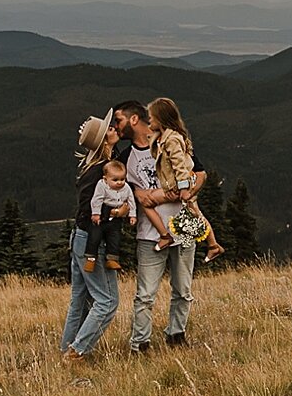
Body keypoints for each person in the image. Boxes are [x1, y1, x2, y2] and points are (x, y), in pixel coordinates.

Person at [112, 100, 205, 351]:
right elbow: (134, 194)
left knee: (183, 289)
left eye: (119, 120)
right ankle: (139, 343)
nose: (116, 127)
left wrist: (176, 194)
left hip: (183, 227)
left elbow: (200, 173)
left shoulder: (169, 141)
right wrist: (141, 192)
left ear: (134, 120)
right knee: (145, 295)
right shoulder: (125, 157)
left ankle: (176, 335)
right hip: (150, 233)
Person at [59, 109, 121, 364]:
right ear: (103, 140)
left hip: (79, 238)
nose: (115, 129)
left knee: (80, 299)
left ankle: (66, 349)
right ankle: (77, 351)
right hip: (92, 242)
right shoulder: (99, 173)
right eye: (110, 129)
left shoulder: (90, 167)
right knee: (107, 302)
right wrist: (118, 210)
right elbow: (90, 209)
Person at [146, 96, 224, 262]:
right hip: (181, 183)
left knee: (150, 202)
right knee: (194, 211)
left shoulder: (172, 140)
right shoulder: (165, 137)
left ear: (160, 119)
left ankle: (209, 245)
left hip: (182, 184)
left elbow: (179, 166)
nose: (148, 121)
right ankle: (213, 245)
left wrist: (183, 189)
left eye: (151, 118)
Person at [85, 159, 135, 272]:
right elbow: (96, 200)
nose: (119, 182)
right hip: (102, 218)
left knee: (114, 238)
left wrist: (132, 215)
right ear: (105, 179)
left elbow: (131, 201)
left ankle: (112, 259)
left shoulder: (126, 188)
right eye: (115, 180)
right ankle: (90, 258)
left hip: (116, 220)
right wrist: (96, 214)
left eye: (122, 179)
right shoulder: (102, 186)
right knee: (94, 237)